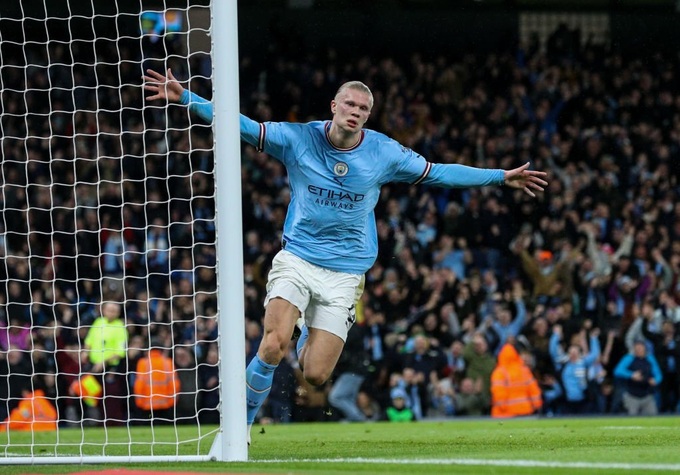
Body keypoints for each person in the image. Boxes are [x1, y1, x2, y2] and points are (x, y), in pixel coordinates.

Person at [143, 68, 548, 442]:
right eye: (350, 104)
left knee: (317, 375)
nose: (355, 112)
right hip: (298, 258)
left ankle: (304, 330)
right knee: (271, 345)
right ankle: (239, 432)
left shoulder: (384, 153)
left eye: (364, 108)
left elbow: (438, 172)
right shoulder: (297, 139)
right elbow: (242, 126)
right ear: (334, 107)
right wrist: (186, 98)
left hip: (346, 274)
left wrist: (500, 177)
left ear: (368, 116)